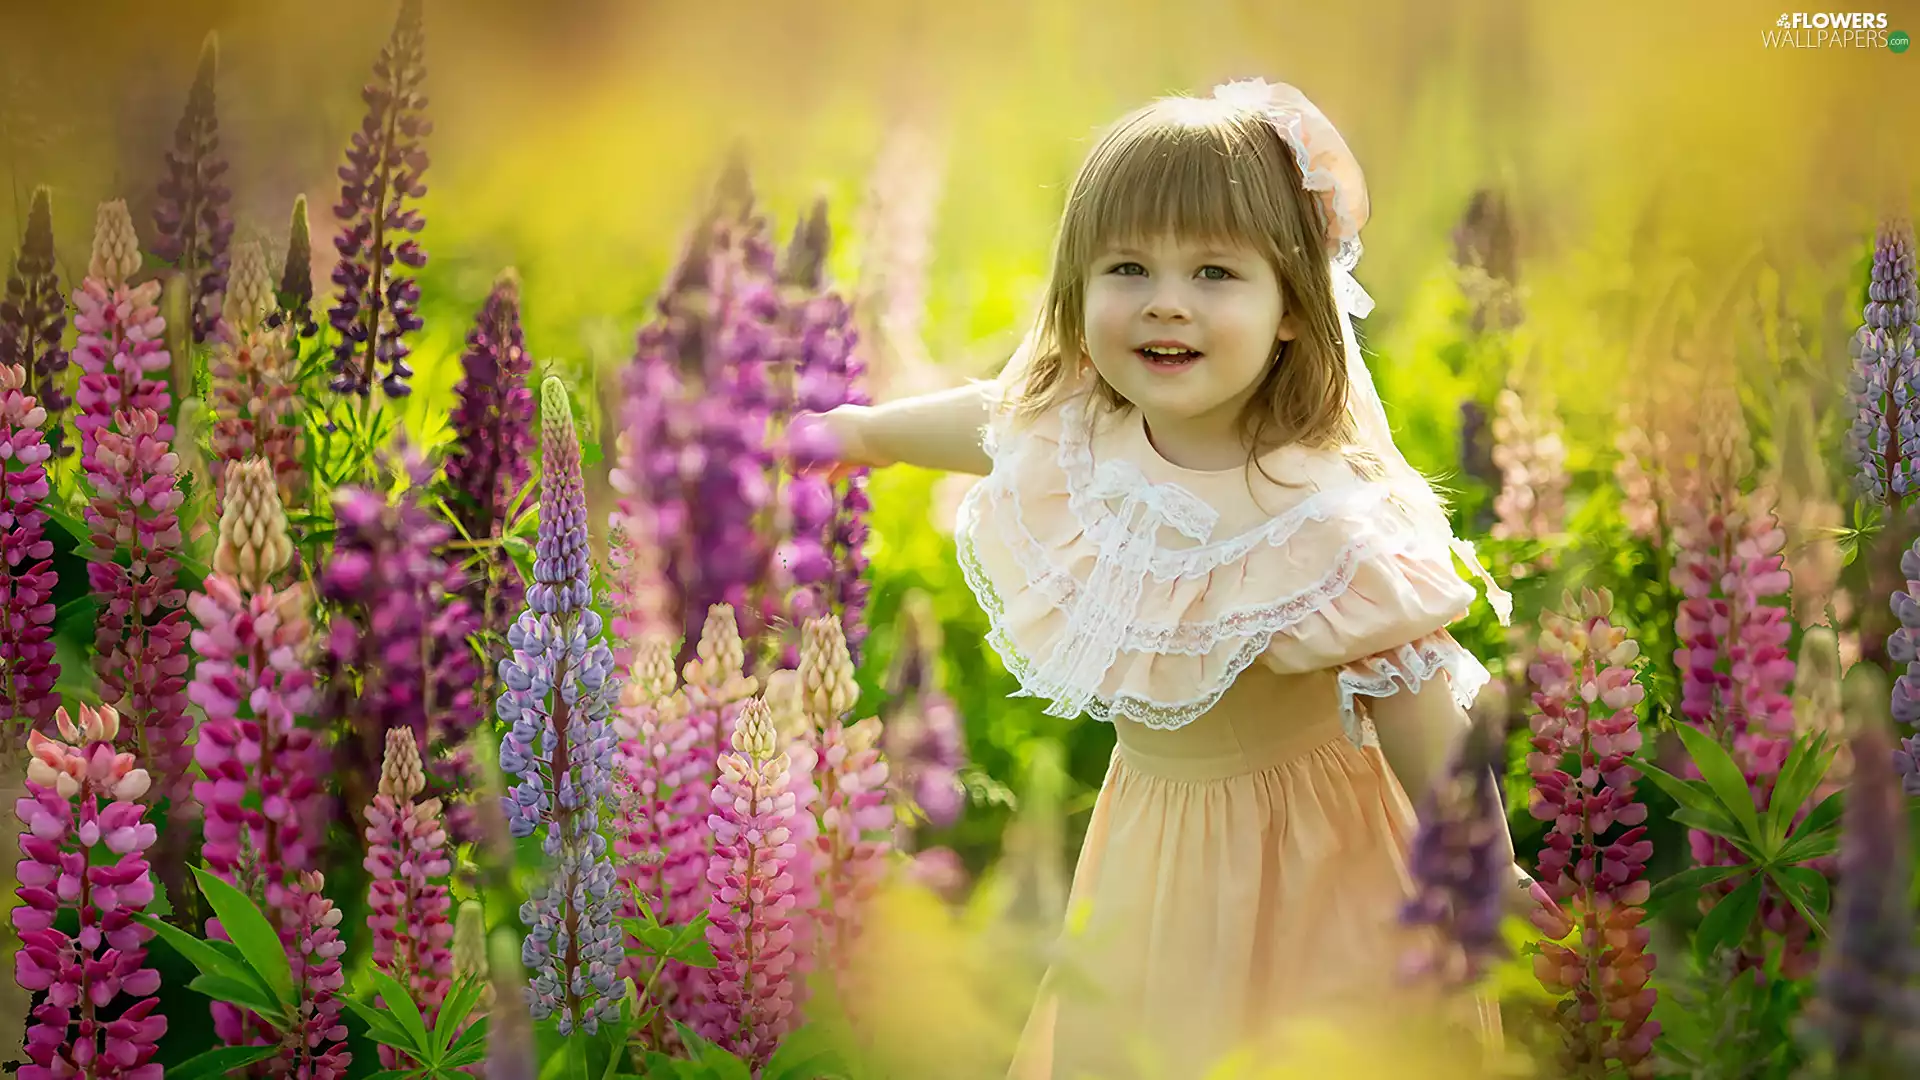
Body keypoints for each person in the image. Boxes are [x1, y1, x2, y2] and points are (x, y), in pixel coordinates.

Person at [789, 77, 1527, 1079]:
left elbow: (1412, 693)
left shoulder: (1318, 512)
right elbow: (992, 421)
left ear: (1294, 311)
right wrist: (864, 433)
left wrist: (1484, 856)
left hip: (1315, 863)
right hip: (1150, 845)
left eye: (1216, 272)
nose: (1166, 300)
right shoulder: (1087, 432)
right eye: (1128, 266)